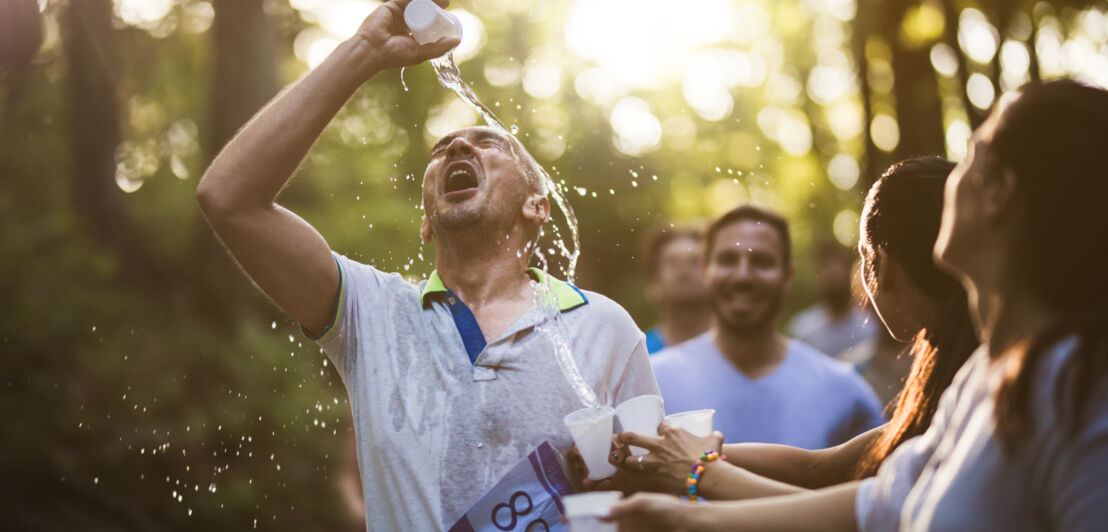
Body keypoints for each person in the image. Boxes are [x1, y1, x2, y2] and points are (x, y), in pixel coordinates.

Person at [195, 1, 659, 529]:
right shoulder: (369, 313)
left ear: (538, 207)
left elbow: (663, 495)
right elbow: (228, 197)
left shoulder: (605, 329)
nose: (460, 143)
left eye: (488, 142)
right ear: (427, 223)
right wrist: (364, 52)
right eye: (442, 150)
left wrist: (629, 484)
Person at [605, 79, 1108, 531]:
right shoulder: (984, 379)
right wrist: (682, 507)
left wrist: (696, 478)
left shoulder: (1084, 385)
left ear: (998, 192)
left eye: (973, 152)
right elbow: (874, 503)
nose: (951, 178)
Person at [613, 157, 978, 499]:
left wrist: (696, 476)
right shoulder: (965, 380)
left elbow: (859, 514)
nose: (743, 275)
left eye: (861, 257)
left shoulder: (969, 387)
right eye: (728, 259)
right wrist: (670, 455)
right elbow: (816, 467)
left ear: (880, 265)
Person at [650, 205, 885, 450]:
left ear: (788, 275)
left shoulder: (844, 393)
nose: (743, 276)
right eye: (728, 260)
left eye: (761, 262)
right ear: (704, 270)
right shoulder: (655, 384)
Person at [788, 241, 879, 359]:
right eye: (827, 266)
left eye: (838, 266)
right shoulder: (803, 330)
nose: (833, 273)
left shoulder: (870, 326)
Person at [641, 227, 710, 354]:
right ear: (654, 280)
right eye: (672, 262)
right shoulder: (639, 353)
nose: (684, 270)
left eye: (694, 261)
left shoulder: (735, 352)